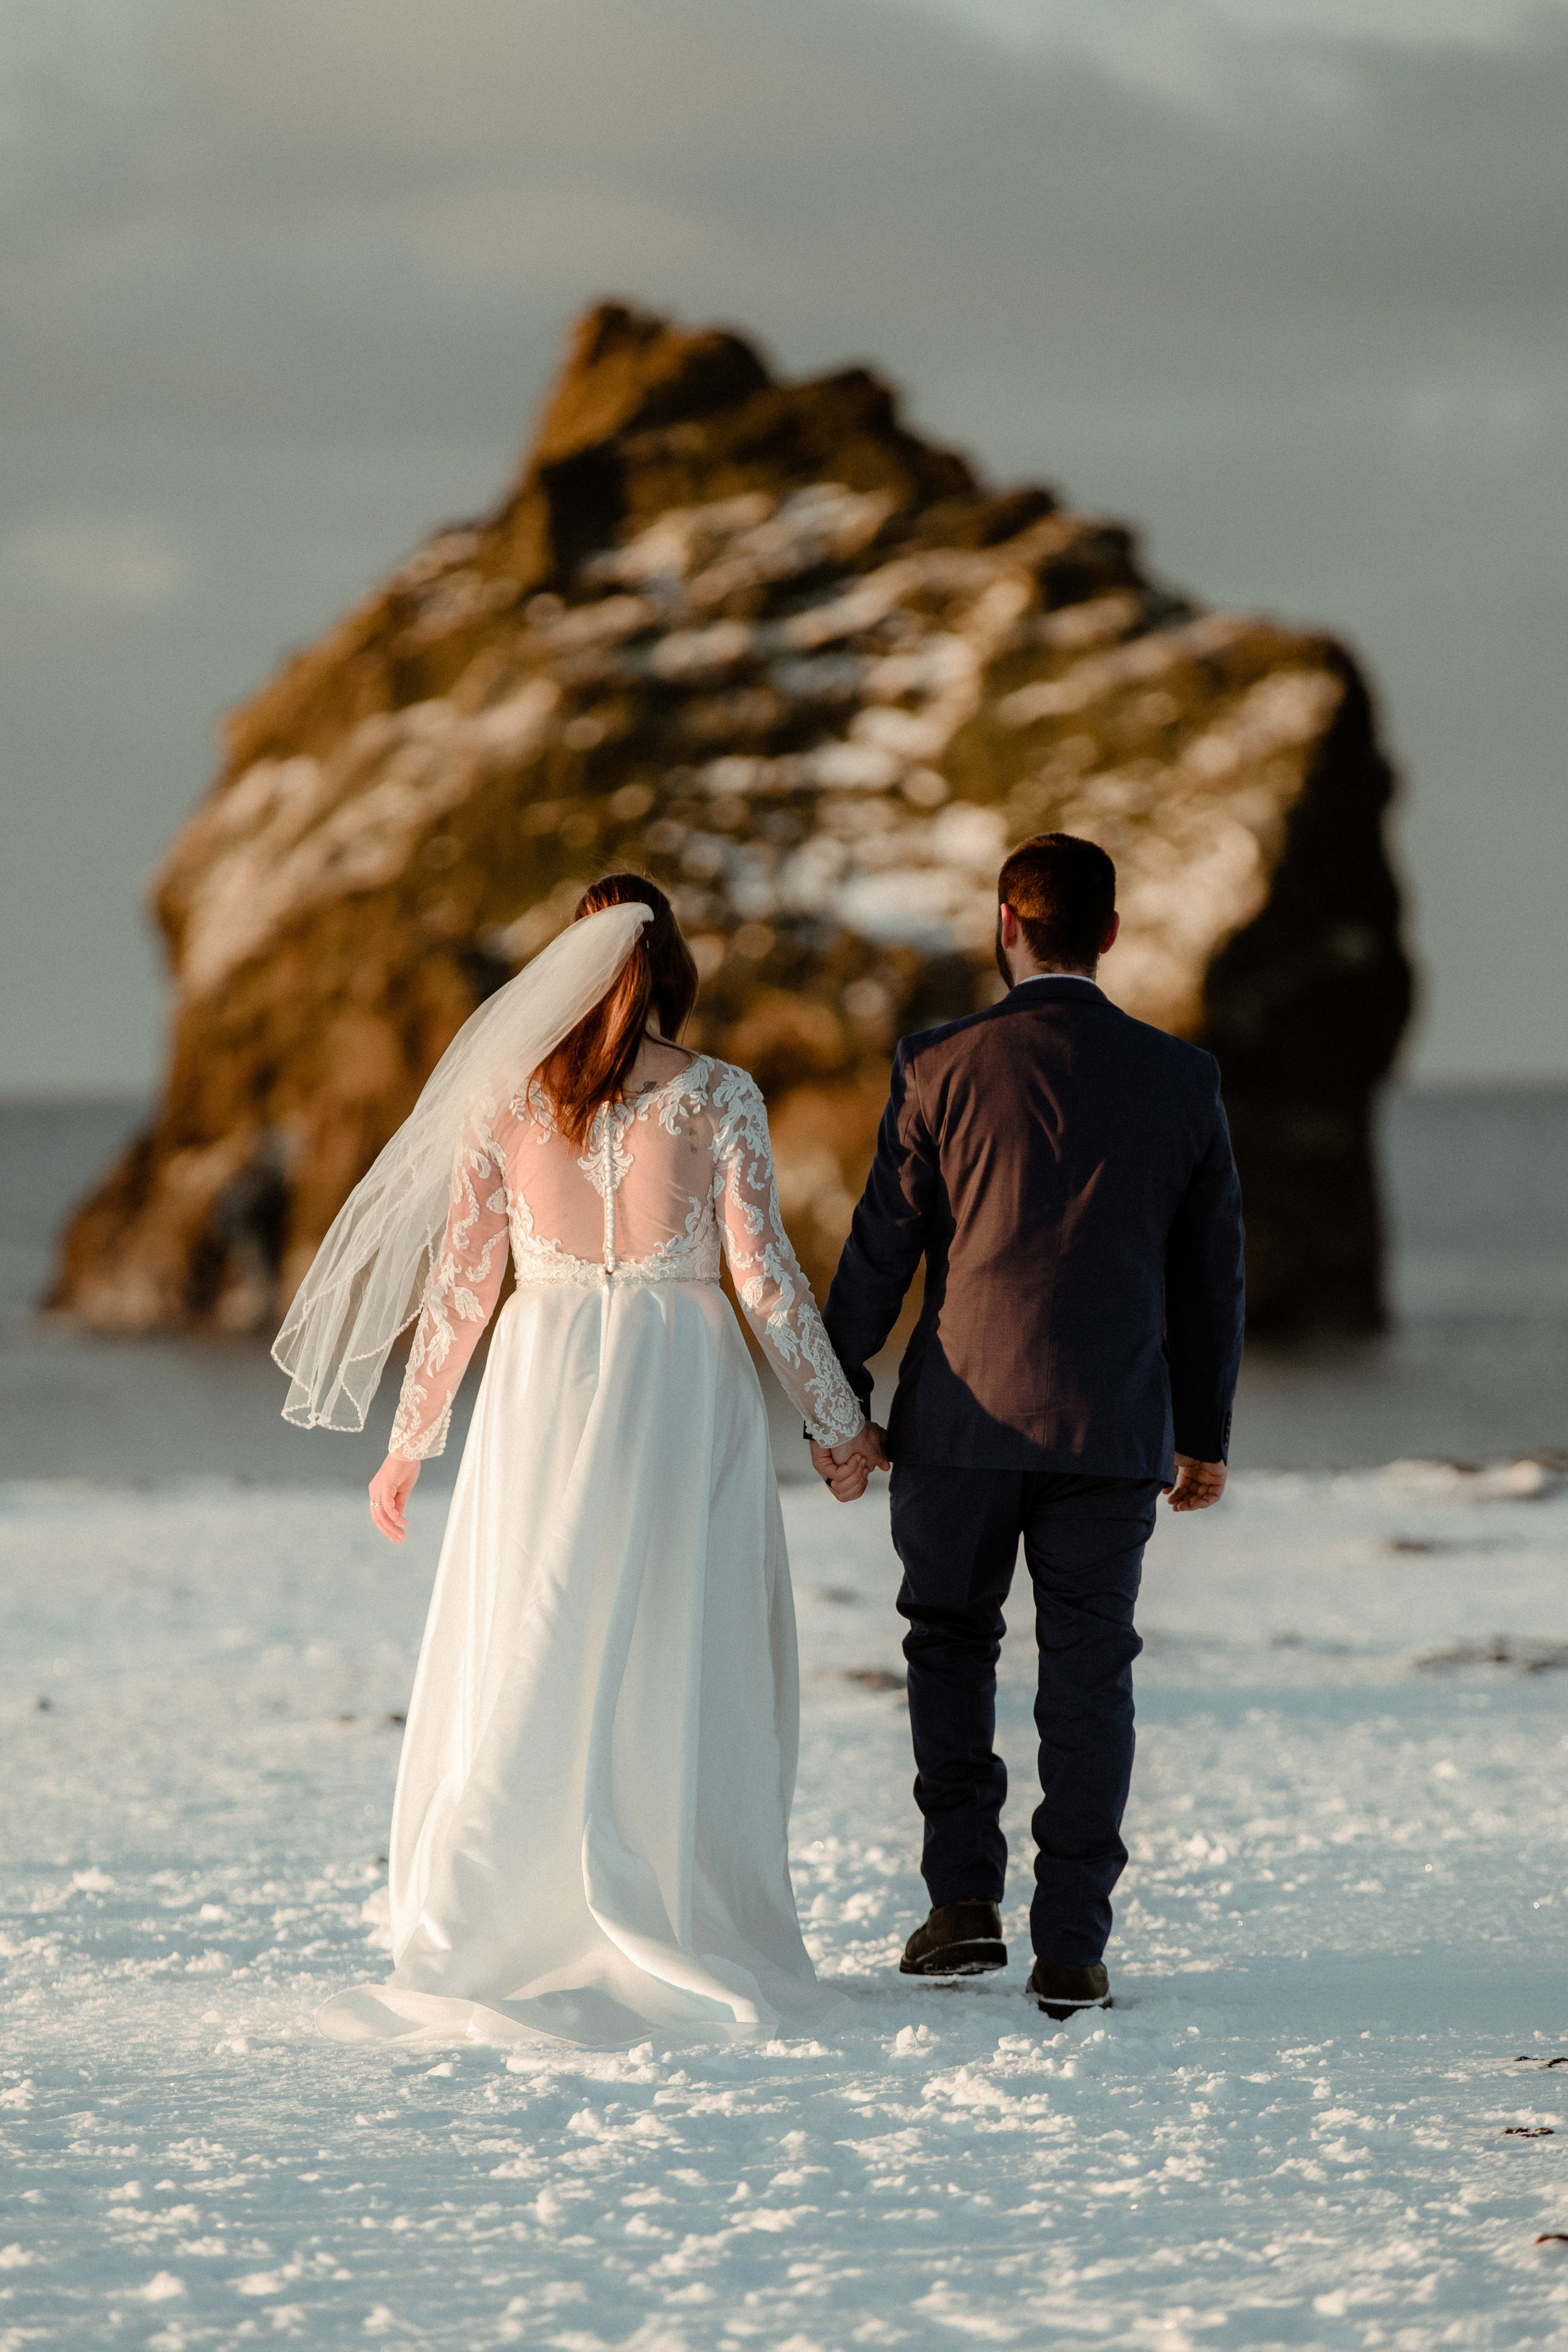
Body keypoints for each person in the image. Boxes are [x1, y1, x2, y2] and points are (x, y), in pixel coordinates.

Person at [273, 874, 869, 2048]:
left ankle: (515, 1894)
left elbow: (462, 1285)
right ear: (671, 964)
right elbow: (764, 1278)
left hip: (541, 1375)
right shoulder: (718, 1094)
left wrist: (409, 1443)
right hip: (680, 1378)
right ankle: (670, 1884)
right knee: (676, 1626)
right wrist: (838, 1422)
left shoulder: (503, 1098)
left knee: (536, 1617)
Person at [813, 833, 1245, 2020]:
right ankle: (1072, 1947)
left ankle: (962, 1906)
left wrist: (837, 1401)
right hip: (1110, 1433)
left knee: (949, 1647)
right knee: (1089, 1673)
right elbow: (1211, 1278)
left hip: (958, 1424)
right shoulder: (1182, 1078)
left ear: (1005, 925)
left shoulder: (938, 1063)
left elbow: (880, 1251)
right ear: (1108, 933)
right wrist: (1203, 1434)